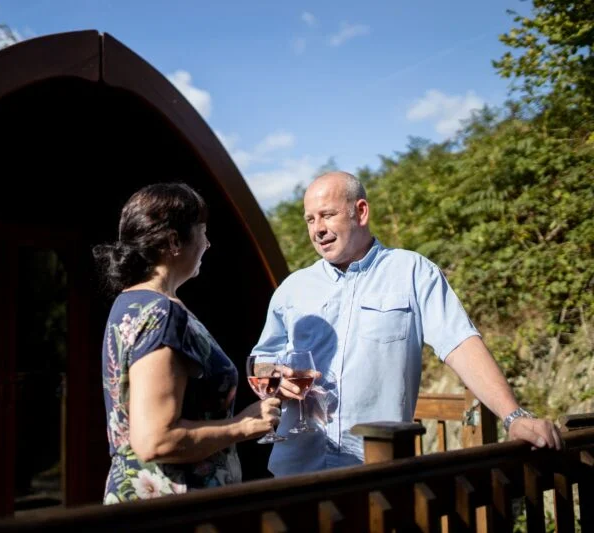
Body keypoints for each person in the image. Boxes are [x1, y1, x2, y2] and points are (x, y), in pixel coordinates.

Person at [251, 171, 562, 477]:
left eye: (327, 215)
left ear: (360, 212)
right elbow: (261, 362)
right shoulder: (292, 289)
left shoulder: (413, 272)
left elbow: (461, 343)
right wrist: (275, 374)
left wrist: (514, 417)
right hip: (296, 473)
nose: (317, 229)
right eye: (310, 219)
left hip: (377, 468)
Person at [93, 182, 282, 503]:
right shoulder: (163, 313)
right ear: (173, 241)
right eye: (203, 232)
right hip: (175, 506)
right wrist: (243, 425)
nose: (208, 244)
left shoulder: (128, 304)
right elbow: (156, 440)